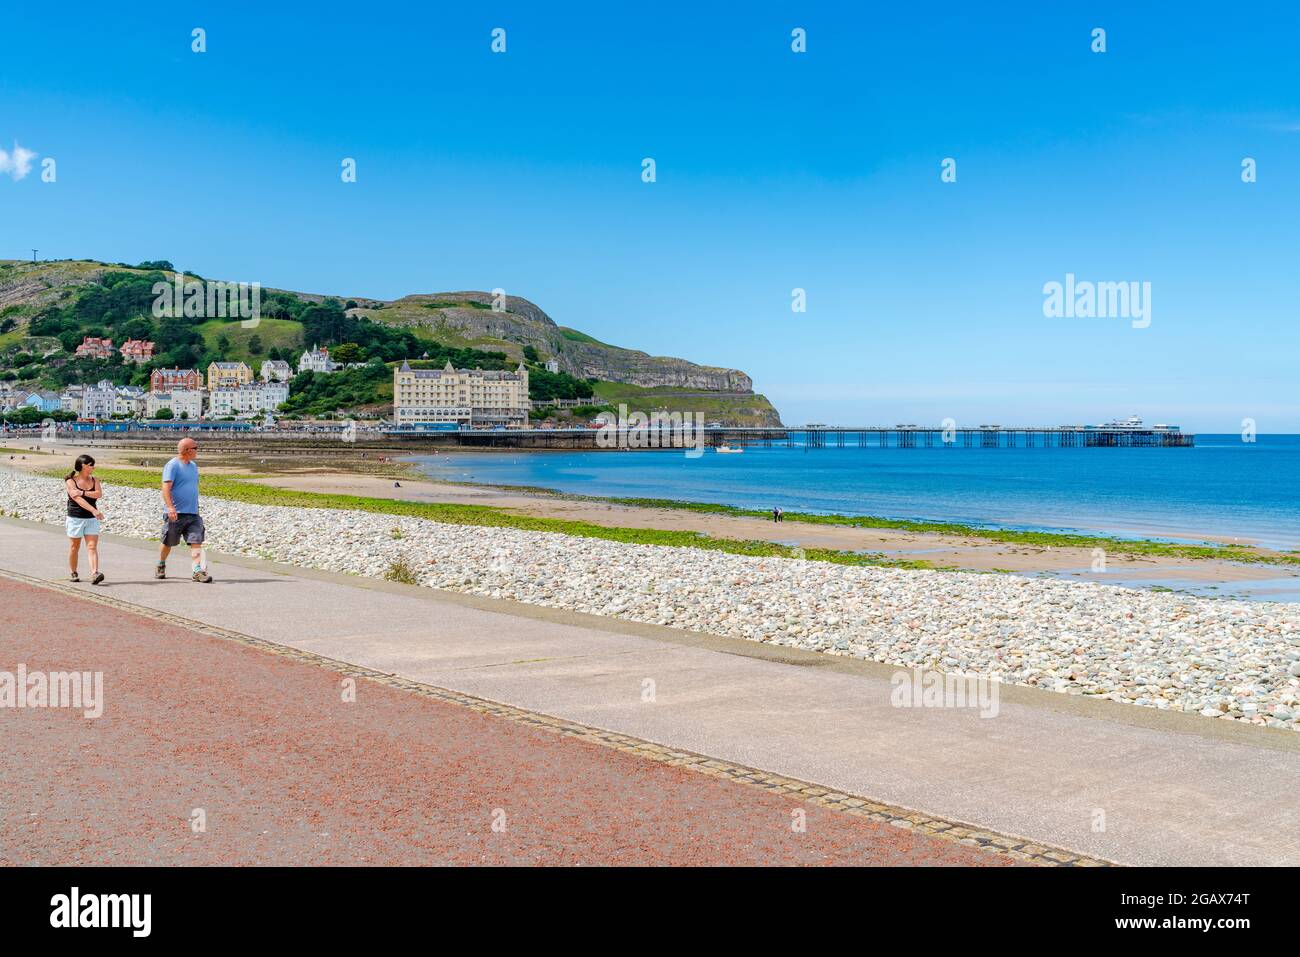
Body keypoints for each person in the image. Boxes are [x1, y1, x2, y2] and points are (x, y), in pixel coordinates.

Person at [156, 438, 212, 583]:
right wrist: (170, 507)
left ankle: (197, 571)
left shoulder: (193, 466)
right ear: (187, 450)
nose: (197, 450)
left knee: (196, 541)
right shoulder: (172, 465)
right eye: (196, 447)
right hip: (176, 512)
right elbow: (166, 488)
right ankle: (161, 564)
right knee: (168, 542)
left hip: (193, 513)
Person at [64, 454, 105, 585]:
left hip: (91, 520)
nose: (93, 467)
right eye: (91, 465)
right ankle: (73, 572)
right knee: (74, 547)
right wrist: (93, 510)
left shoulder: (95, 480)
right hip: (75, 518)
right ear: (83, 466)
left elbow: (98, 494)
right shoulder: (70, 481)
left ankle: (95, 573)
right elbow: (78, 500)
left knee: (92, 546)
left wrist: (82, 492)